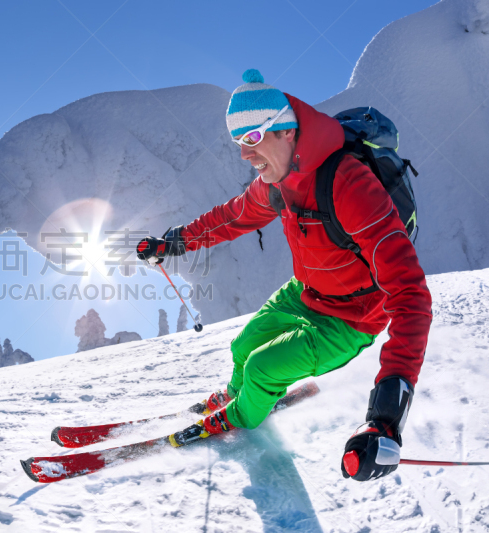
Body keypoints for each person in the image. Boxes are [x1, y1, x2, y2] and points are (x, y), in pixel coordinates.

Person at [136, 69, 432, 482]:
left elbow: (412, 296)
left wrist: (385, 416)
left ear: (286, 131)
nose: (244, 153)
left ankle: (241, 416)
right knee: (243, 346)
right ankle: (240, 397)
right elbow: (231, 217)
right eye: (239, 142)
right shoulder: (277, 180)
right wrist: (173, 243)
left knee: (261, 367)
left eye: (253, 139)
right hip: (305, 292)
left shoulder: (349, 183)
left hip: (350, 318)